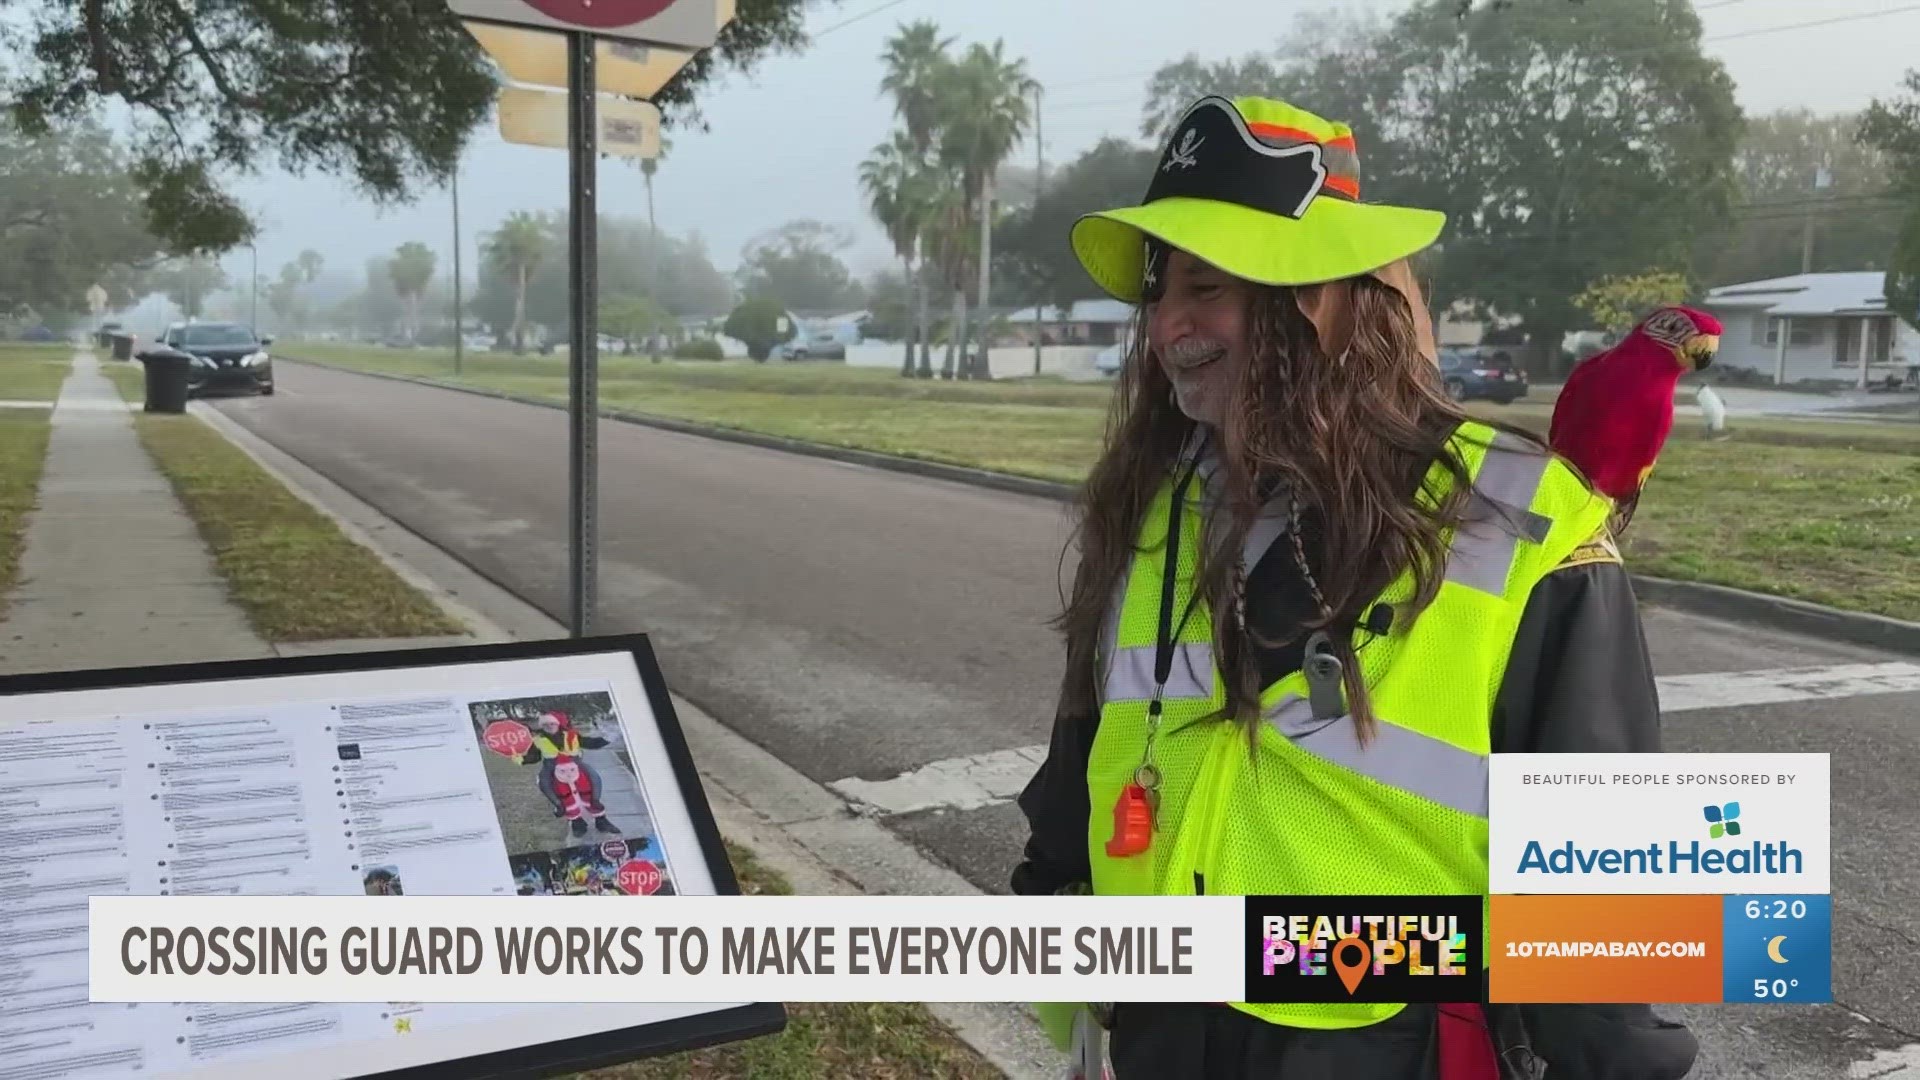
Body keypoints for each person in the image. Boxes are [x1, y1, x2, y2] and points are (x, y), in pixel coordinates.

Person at [1010, 94, 1700, 1080]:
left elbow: (1608, 884)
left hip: (1393, 1042)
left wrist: (1617, 1060)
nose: (1168, 326)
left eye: (1207, 286)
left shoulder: (1515, 515)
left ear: (1323, 304)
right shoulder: (1157, 511)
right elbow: (1086, 761)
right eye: (1159, 292)